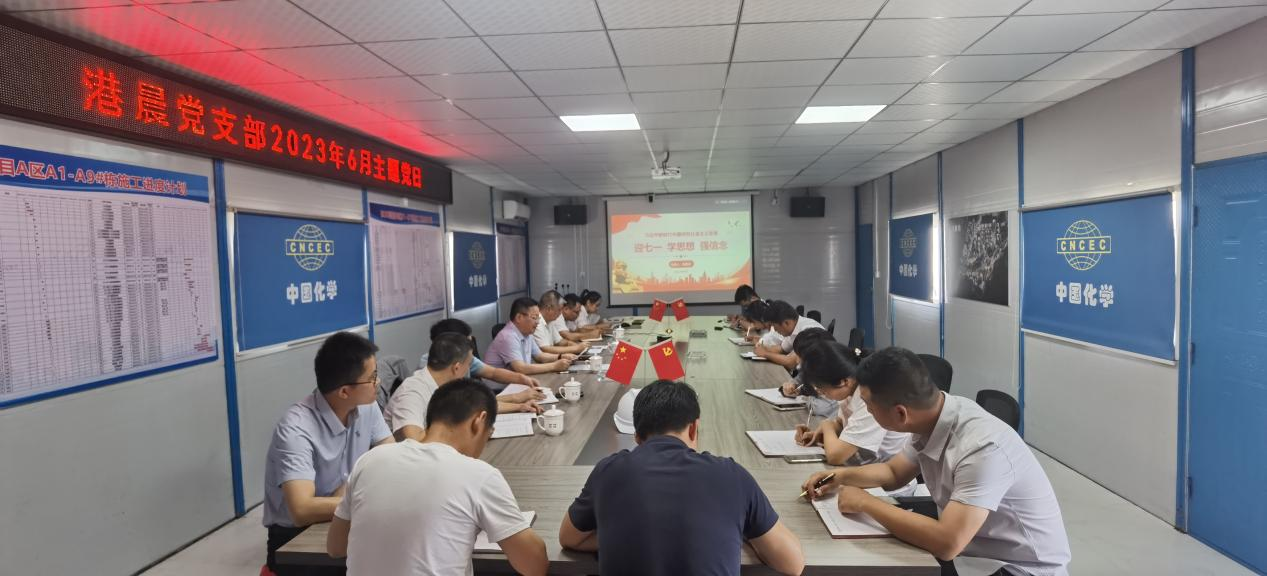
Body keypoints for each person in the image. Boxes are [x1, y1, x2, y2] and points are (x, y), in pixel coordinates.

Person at [802, 347, 1070, 576]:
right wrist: (839, 478)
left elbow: (947, 543)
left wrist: (865, 503)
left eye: (870, 408)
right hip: (973, 550)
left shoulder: (982, 448)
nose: (868, 412)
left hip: (1018, 568)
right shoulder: (934, 414)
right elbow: (894, 473)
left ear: (900, 413)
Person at [559, 380, 805, 576]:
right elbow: (793, 563)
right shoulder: (731, 475)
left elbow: (569, 538)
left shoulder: (608, 471)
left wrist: (622, 535)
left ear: (637, 436)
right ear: (694, 428)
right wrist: (737, 532)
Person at [328, 378, 548, 576]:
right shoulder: (479, 475)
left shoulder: (369, 460)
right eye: (488, 434)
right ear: (479, 421)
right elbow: (535, 565)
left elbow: (336, 547)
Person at [262, 332, 394, 576]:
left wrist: (350, 488)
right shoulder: (296, 429)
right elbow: (302, 510)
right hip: (294, 539)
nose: (378, 383)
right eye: (372, 378)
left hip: (344, 518)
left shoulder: (366, 406)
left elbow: (391, 459)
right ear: (344, 392)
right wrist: (361, 496)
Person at [387, 333, 541, 443]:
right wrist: (465, 434)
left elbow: (474, 406)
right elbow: (416, 443)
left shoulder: (444, 385)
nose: (469, 370)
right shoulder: (412, 393)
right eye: (468, 365)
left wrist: (519, 405)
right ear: (456, 368)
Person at [795, 341, 911, 468]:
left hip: (885, 471)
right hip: (864, 465)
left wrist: (827, 426)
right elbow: (842, 424)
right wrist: (821, 435)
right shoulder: (851, 389)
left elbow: (835, 456)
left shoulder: (871, 398)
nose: (822, 394)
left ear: (844, 382)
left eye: (822, 390)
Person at [423, 319, 544, 396]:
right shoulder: (428, 367)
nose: (471, 345)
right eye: (468, 342)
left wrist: (522, 378)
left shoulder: (463, 356)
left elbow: (493, 372)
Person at [486, 297, 576, 375]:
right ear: (519, 317)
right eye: (534, 318)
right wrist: (554, 366)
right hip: (501, 388)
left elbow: (539, 356)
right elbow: (521, 368)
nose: (537, 322)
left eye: (538, 318)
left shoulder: (527, 332)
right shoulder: (508, 336)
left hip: (518, 382)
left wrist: (560, 357)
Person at [777, 327, 839, 418]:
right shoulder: (813, 368)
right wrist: (793, 386)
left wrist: (804, 398)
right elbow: (800, 379)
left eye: (799, 357)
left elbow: (822, 408)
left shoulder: (834, 374)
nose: (797, 361)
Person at [755, 299, 824, 370]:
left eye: (775, 326)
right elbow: (781, 349)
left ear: (786, 323)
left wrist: (765, 354)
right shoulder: (793, 329)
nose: (775, 330)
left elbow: (791, 363)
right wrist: (764, 348)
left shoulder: (808, 330)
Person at [532, 290, 587, 355]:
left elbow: (560, 341)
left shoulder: (550, 321)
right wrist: (575, 348)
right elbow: (546, 349)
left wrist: (573, 344)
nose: (561, 313)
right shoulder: (537, 322)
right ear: (549, 309)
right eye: (559, 310)